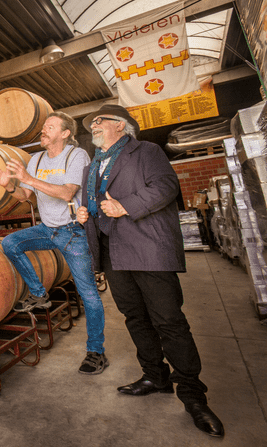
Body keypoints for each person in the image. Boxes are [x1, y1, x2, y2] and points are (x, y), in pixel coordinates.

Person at [75, 104, 224, 437]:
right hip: (113, 253)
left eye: (99, 120)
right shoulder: (92, 167)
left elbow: (166, 187)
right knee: (135, 317)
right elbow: (97, 206)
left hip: (147, 248)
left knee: (168, 320)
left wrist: (124, 206)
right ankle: (155, 377)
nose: (94, 126)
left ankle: (193, 396)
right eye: (93, 122)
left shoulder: (146, 152)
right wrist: (87, 214)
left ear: (121, 126)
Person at [0, 112, 107, 375]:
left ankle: (96, 352)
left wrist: (28, 179)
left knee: (88, 294)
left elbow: (67, 191)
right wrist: (9, 187)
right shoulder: (37, 159)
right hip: (48, 229)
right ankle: (39, 294)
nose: (43, 131)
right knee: (10, 243)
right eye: (43, 127)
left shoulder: (76, 156)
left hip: (73, 232)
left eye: (49, 127)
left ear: (65, 133)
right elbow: (25, 197)